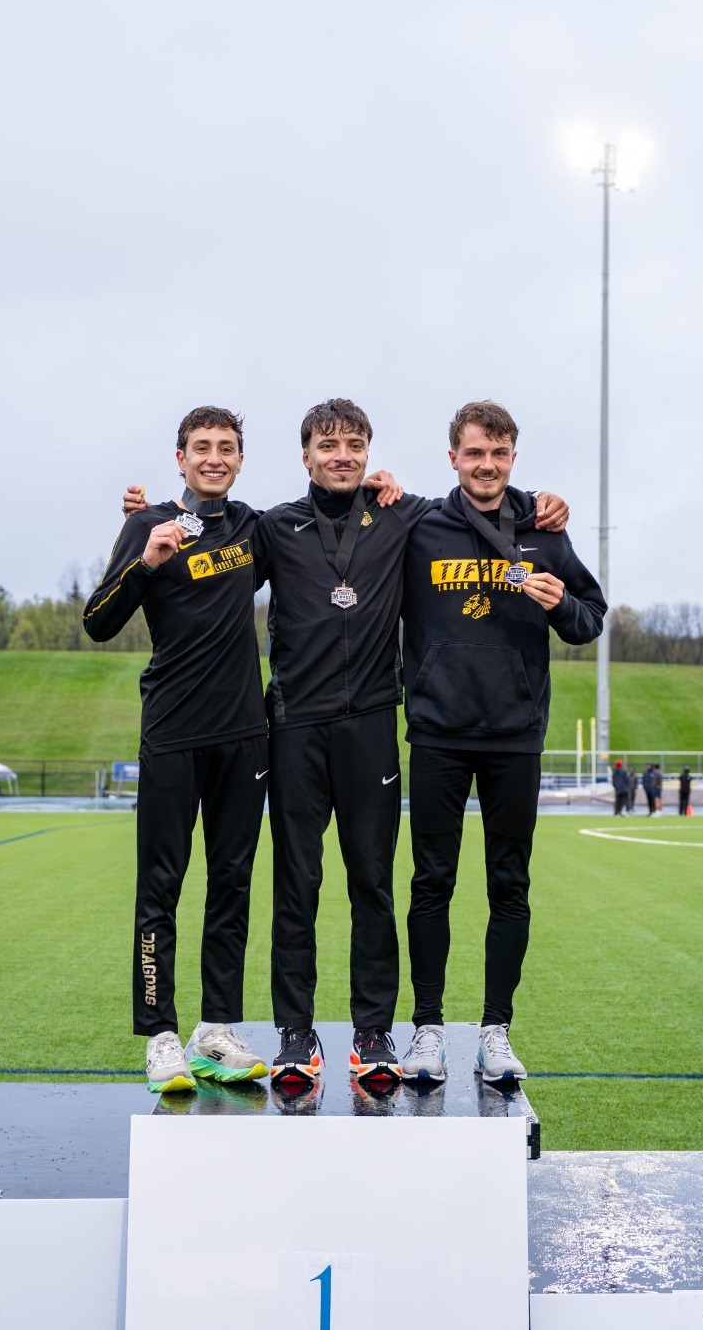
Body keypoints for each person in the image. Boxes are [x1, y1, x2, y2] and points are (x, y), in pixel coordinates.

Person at [120, 397, 571, 1088]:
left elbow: (480, 497)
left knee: (374, 888)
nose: (342, 456)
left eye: (354, 446)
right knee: (295, 888)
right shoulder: (273, 526)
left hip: (371, 729)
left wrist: (542, 500)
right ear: (305, 455)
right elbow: (209, 550)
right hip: (294, 729)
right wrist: (153, 519)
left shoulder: (402, 513)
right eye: (328, 446)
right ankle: (296, 1034)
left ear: (368, 453)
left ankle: (372, 1033)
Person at [397, 400, 606, 1086]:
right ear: (453, 456)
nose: (486, 465)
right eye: (474, 453)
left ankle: (495, 1031)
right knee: (432, 882)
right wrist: (382, 488)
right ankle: (427, 1028)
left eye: (499, 453)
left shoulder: (543, 528)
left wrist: (557, 602)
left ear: (513, 455)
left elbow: (588, 621)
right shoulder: (421, 524)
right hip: (436, 732)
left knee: (508, 886)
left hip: (515, 735)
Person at [84, 405, 273, 1093]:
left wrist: (382, 489)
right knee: (159, 888)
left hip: (244, 736)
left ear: (241, 459)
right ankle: (161, 1035)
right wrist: (144, 560)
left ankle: (214, 1029)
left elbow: (326, 531)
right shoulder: (147, 524)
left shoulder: (255, 528)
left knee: (231, 884)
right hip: (170, 732)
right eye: (202, 447)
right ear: (181, 456)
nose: (214, 457)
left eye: (226, 447)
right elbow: (97, 622)